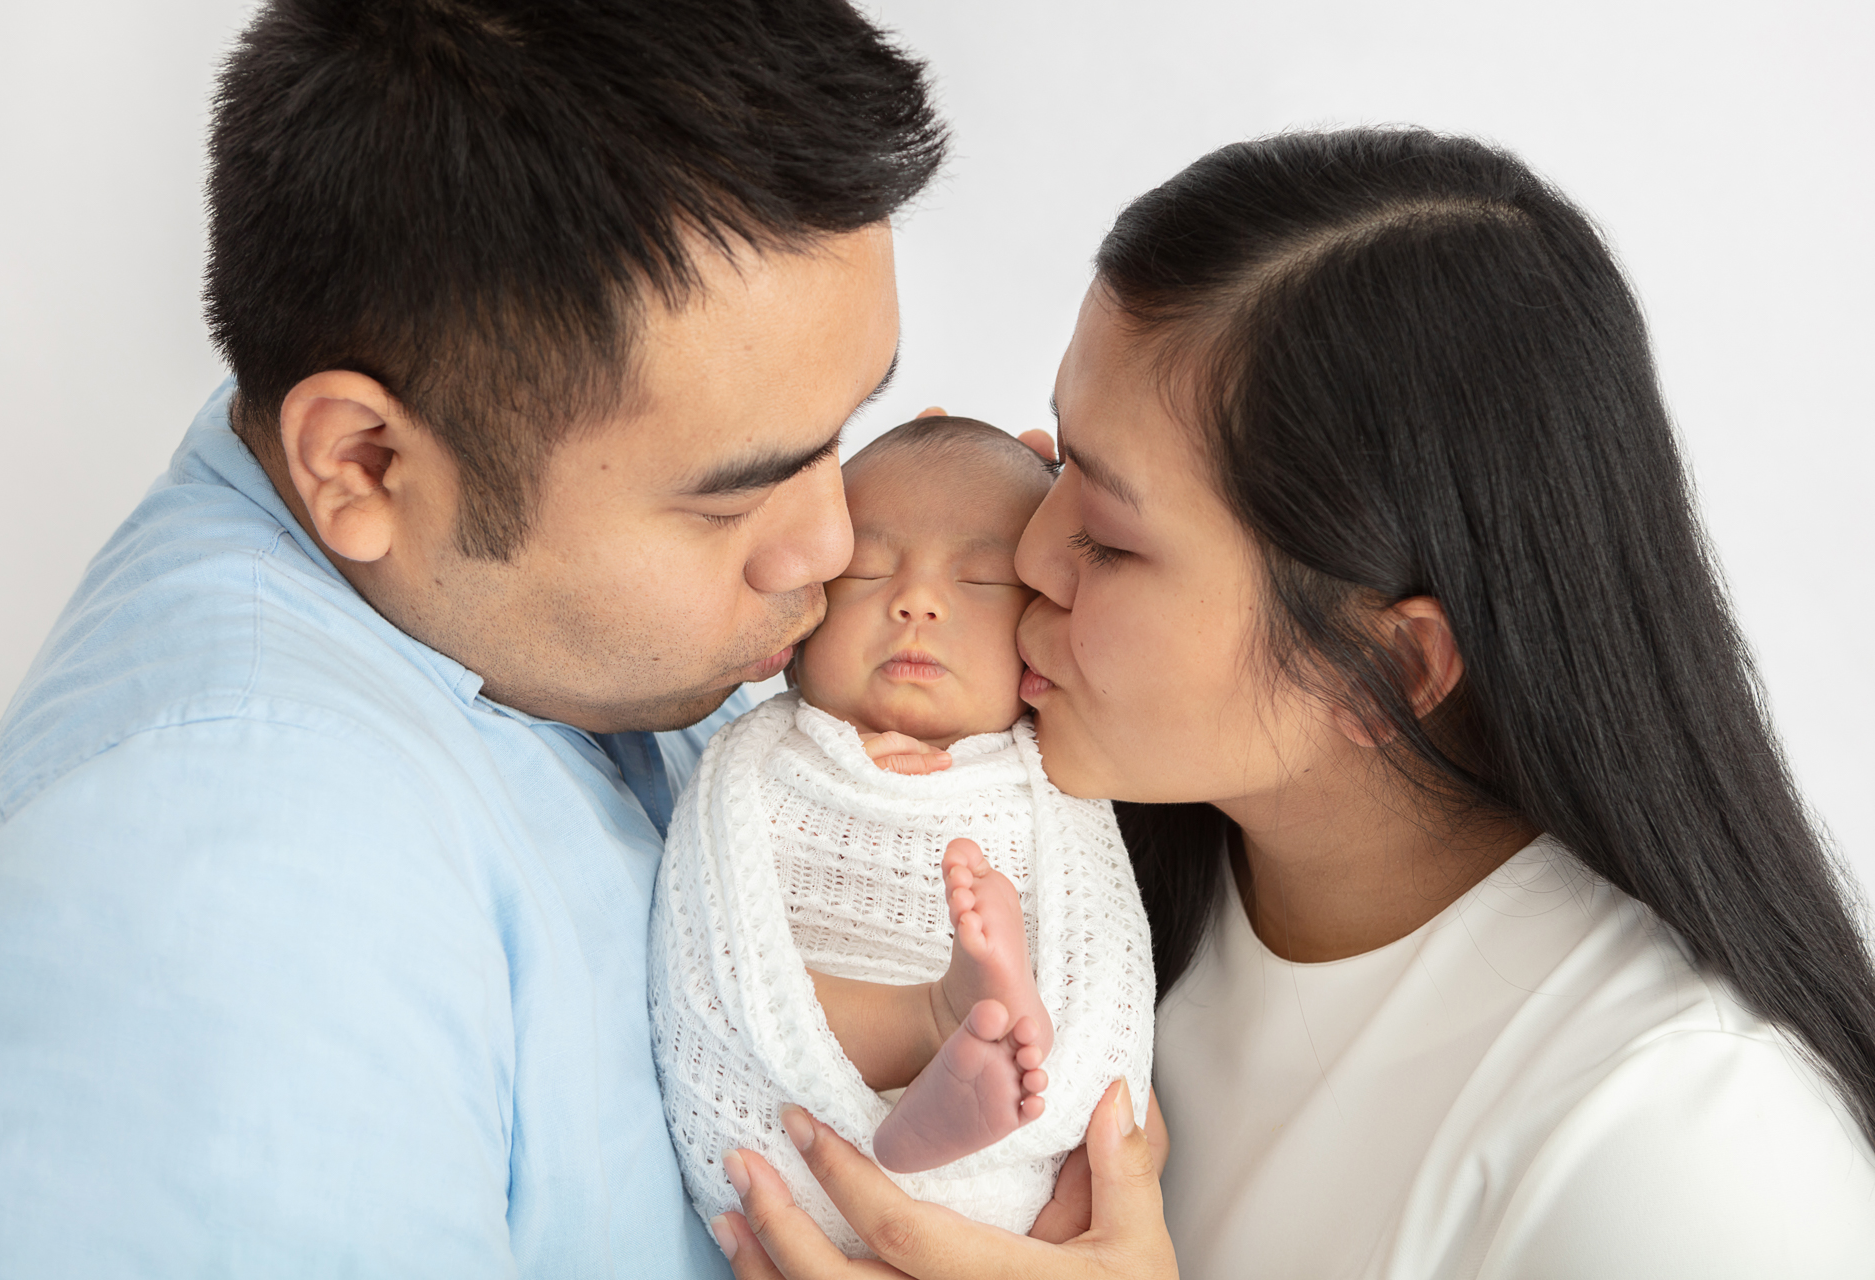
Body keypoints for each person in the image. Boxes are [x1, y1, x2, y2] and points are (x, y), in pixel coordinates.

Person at [709, 129, 1875, 1279]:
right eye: (1059, 459)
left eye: (1107, 535)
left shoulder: (1689, 1154)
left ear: (1383, 668)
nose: (1027, 551)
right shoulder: (1073, 852)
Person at [0, 1, 944, 1275]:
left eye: (840, 434)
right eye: (731, 498)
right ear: (363, 462)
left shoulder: (484, 600)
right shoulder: (237, 903)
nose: (831, 543)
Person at [649, 416, 1155, 1253]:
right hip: (790, 1111)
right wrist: (850, 764)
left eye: (982, 579)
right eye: (870, 569)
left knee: (1040, 1034)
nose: (917, 601)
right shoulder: (766, 755)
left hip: (1010, 1187)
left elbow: (1102, 954)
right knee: (760, 983)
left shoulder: (1054, 769)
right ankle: (933, 1023)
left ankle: (953, 1079)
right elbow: (707, 946)